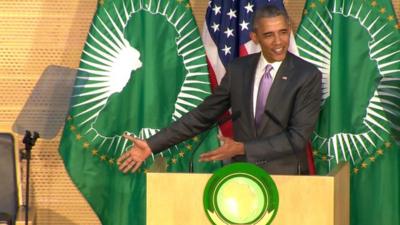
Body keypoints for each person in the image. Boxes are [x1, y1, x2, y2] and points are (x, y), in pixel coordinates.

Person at [118, 5, 321, 175]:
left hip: (289, 178)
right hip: (242, 175)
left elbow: (297, 138)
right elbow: (203, 115)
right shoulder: (239, 69)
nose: (278, 42)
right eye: (269, 35)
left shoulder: (307, 75)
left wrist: (241, 148)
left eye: (283, 32)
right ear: (255, 37)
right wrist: (152, 144)